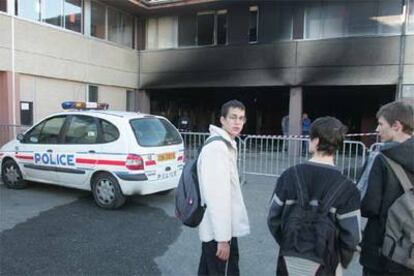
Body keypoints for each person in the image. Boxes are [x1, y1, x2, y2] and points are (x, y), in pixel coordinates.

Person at [268, 116, 361, 276]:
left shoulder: (289, 176)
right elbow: (352, 236)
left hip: (289, 257)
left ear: (316, 141)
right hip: (326, 261)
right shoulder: (348, 188)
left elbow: (273, 218)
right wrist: (341, 261)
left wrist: (288, 242)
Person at [359, 101, 414, 276]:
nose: (377, 129)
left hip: (382, 249)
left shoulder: (382, 159)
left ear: (397, 126)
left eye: (381, 124)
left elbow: (369, 207)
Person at [197, 99, 250, 276]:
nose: (237, 122)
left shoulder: (224, 144)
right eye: (233, 117)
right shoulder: (218, 148)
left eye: (241, 118)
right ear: (222, 120)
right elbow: (217, 197)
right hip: (218, 233)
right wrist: (222, 239)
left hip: (219, 230)